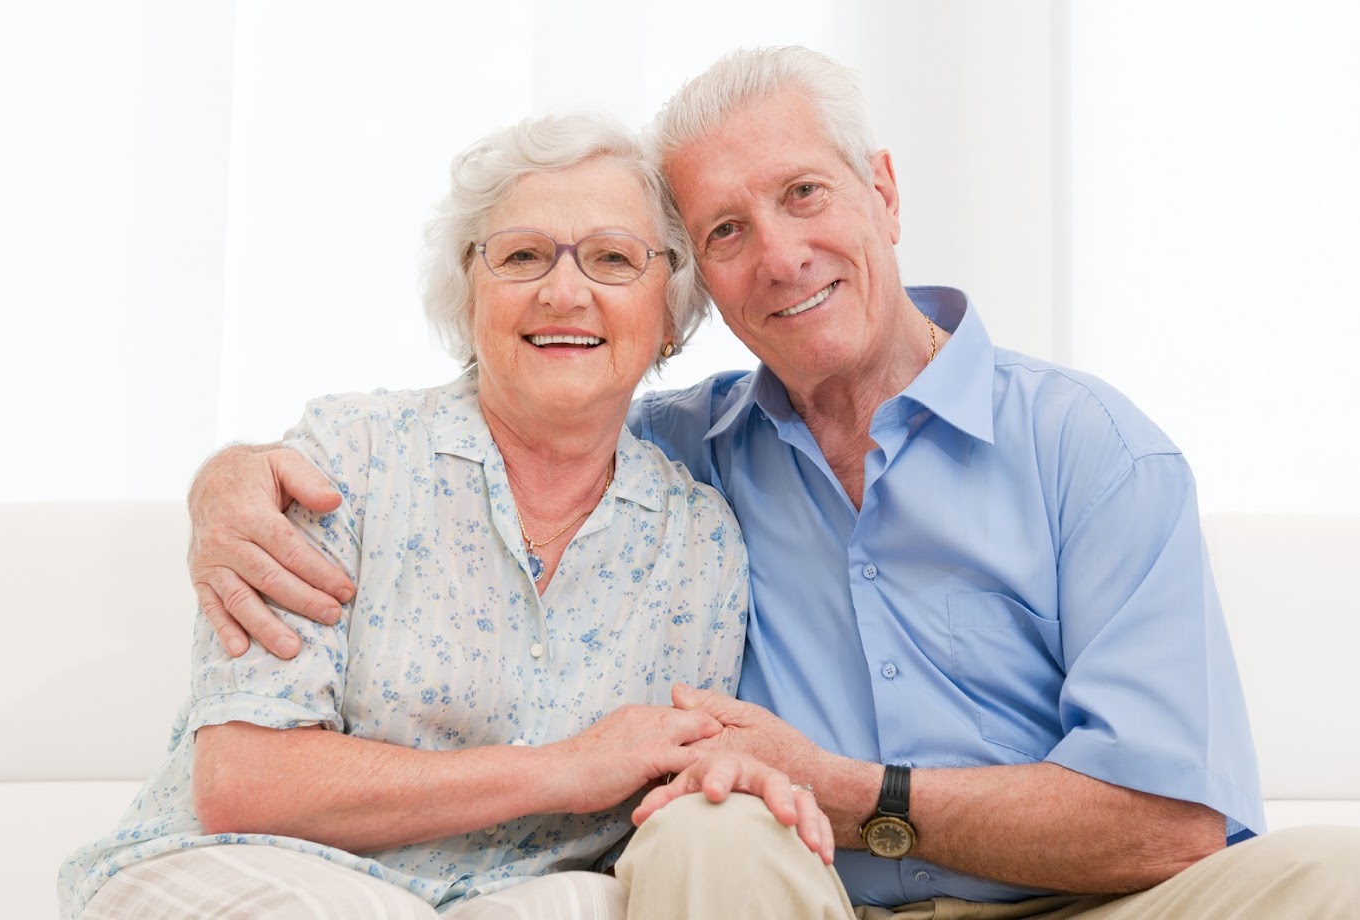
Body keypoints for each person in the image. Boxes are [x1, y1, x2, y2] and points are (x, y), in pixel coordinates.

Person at [183, 47, 1360, 918]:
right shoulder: (676, 462)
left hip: (1095, 906)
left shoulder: (1092, 449)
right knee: (703, 836)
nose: (781, 253)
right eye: (728, 229)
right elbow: (523, 409)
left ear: (883, 193)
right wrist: (229, 480)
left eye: (805, 193)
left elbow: (1170, 822)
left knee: (1337, 875)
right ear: (698, 288)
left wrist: (854, 789)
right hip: (805, 900)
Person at [58, 112, 834, 920]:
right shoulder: (346, 460)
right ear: (468, 296)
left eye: (611, 258)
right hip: (252, 871)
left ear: (670, 315)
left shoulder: (699, 540)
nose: (563, 292)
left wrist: (737, 779)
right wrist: (564, 769)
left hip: (516, 898)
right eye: (523, 255)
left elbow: (670, 794)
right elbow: (242, 782)